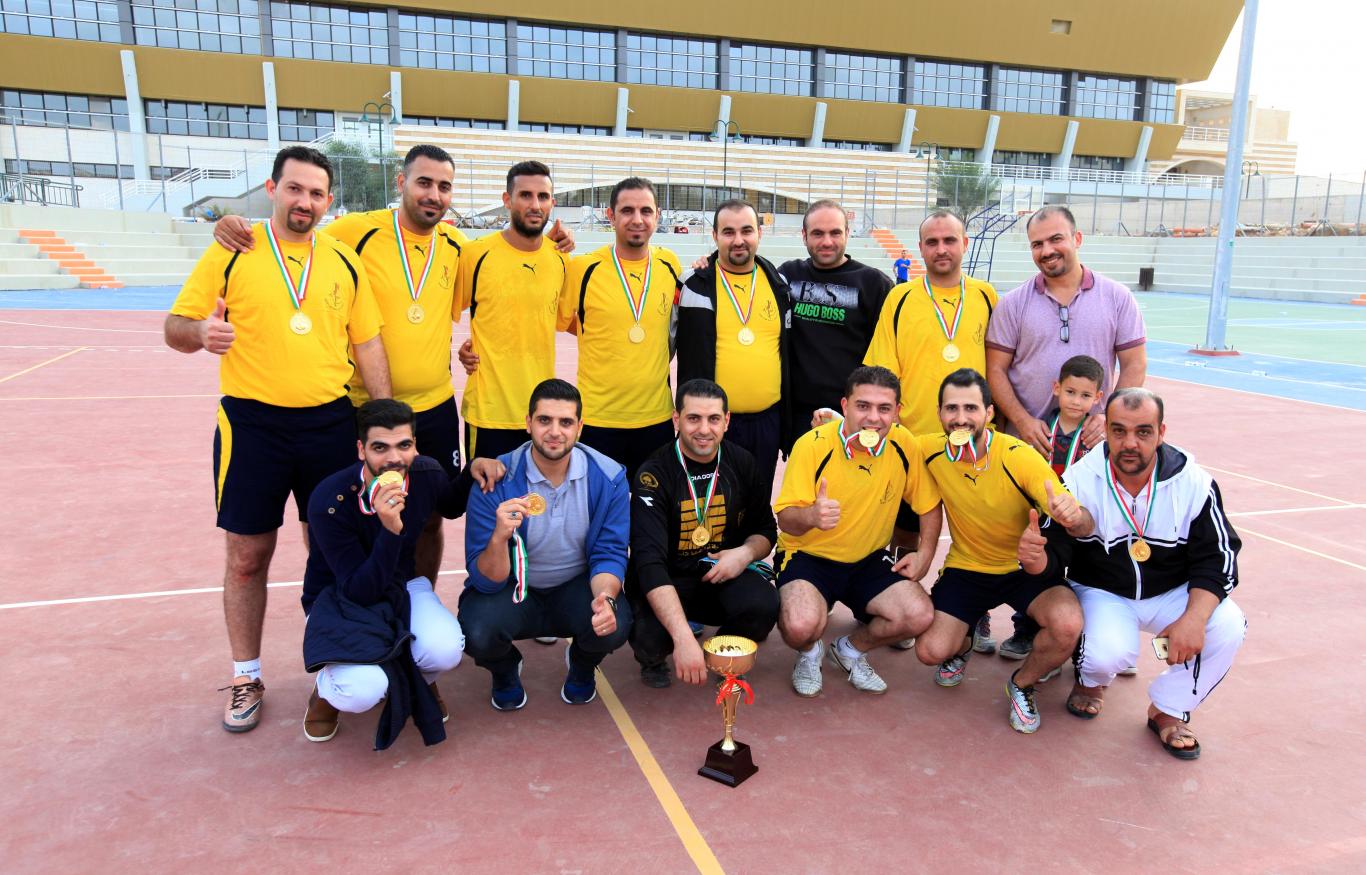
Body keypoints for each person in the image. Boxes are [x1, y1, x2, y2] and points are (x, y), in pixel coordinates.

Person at [209, 145, 572, 584]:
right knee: (350, 512)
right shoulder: (355, 230)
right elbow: (298, 232)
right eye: (423, 182)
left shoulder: (459, 247)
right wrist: (236, 224)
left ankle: (418, 601)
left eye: (443, 186)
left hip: (434, 406)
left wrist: (551, 243)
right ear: (401, 183)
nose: (433, 194)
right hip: (366, 407)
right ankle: (350, 606)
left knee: (432, 515)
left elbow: (506, 280)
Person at [164, 146, 389, 733]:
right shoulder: (233, 250)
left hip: (329, 424)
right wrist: (199, 332)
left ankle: (335, 664)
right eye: (294, 190)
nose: (304, 202)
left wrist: (384, 426)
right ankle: (246, 675)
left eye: (316, 194)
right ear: (272, 189)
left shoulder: (343, 261)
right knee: (247, 557)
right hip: (252, 426)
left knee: (332, 551)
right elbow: (175, 327)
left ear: (329, 201)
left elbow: (366, 345)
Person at [1020, 388, 1245, 759]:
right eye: (1119, 431)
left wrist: (1194, 617)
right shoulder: (1080, 478)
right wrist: (1034, 557)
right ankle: (1091, 682)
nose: (1130, 443)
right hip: (1104, 591)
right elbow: (1055, 554)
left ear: (1161, 432)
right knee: (1105, 655)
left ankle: (1168, 709)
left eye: (1143, 432)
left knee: (1228, 625)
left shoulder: (1194, 483)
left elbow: (1218, 558)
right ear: (1105, 430)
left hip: (1174, 591)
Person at [985, 205, 1147, 659]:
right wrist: (1020, 419)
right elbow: (995, 369)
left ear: (1076, 239)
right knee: (1029, 536)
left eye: (1055, 239)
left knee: (1091, 535)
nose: (1046, 250)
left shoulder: (1116, 298)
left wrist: (1110, 416)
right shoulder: (1015, 302)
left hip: (1091, 448)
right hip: (1029, 446)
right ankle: (1026, 623)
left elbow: (1133, 364)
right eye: (1037, 244)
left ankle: (1095, 637)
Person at [299, 400, 503, 747]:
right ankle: (325, 691)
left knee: (446, 649)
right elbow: (360, 590)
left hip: (401, 585)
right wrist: (390, 531)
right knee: (364, 691)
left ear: (414, 445)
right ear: (361, 448)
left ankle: (418, 677)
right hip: (340, 596)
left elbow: (450, 505)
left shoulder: (424, 473)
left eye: (404, 445)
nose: (394, 458)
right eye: (381, 447)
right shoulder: (329, 500)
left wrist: (472, 469)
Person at [912, 369, 1088, 734]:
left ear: (989, 413)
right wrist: (836, 421)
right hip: (968, 567)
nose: (961, 418)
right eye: (951, 408)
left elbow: (1075, 516)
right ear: (940, 413)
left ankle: (1022, 685)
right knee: (930, 652)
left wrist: (1073, 515)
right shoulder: (927, 450)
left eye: (971, 408)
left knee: (1068, 625)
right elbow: (887, 440)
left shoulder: (1018, 456)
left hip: (1024, 568)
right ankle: (964, 643)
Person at [864, 209, 998, 647]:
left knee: (975, 529)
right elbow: (883, 369)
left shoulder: (987, 296)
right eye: (932, 242)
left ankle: (973, 610)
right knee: (905, 528)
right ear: (920, 248)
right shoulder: (901, 298)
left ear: (965, 244)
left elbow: (999, 365)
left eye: (950, 240)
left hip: (973, 443)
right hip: (916, 442)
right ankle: (905, 594)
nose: (942, 249)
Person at [460, 379, 632, 710]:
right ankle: (505, 668)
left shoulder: (608, 477)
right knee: (476, 631)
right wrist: (499, 537)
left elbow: (608, 553)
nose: (555, 431)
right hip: (514, 587)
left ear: (580, 427)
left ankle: (582, 666)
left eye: (565, 422)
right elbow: (485, 580)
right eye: (544, 420)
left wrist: (605, 598)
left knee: (615, 622)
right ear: (528, 423)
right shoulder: (496, 479)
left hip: (575, 587)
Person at [773, 366, 942, 696]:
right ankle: (809, 652)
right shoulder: (812, 445)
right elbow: (785, 519)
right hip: (808, 557)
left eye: (884, 408)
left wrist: (926, 554)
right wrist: (811, 515)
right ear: (845, 406)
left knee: (919, 615)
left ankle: (848, 650)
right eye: (863, 406)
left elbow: (929, 506)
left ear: (897, 412)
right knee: (799, 626)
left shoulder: (903, 443)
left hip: (867, 560)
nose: (873, 418)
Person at [628, 379, 779, 687]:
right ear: (676, 420)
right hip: (668, 579)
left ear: (726, 422)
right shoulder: (652, 474)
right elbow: (648, 563)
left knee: (764, 605)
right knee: (649, 639)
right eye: (693, 418)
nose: (704, 429)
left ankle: (719, 649)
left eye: (713, 419)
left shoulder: (742, 462)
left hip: (720, 575)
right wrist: (684, 639)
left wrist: (744, 553)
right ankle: (653, 660)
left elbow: (766, 530)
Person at [557, 177, 684, 482]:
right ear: (610, 215)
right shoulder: (583, 268)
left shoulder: (670, 265)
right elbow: (560, 320)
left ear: (658, 215)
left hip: (656, 419)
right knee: (598, 520)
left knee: (653, 520)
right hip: (598, 422)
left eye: (646, 211)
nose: (637, 220)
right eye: (627, 211)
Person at [456, 161, 572, 462]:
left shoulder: (561, 261)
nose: (535, 205)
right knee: (485, 503)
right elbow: (442, 314)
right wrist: (461, 349)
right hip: (489, 412)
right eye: (525, 195)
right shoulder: (474, 255)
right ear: (507, 200)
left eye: (543, 197)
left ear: (552, 203)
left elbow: (564, 321)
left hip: (541, 415)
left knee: (537, 504)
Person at [678, 199, 791, 498]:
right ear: (714, 236)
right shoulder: (693, 284)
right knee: (709, 507)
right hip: (711, 423)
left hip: (767, 423)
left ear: (759, 234)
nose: (738, 240)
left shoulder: (779, 284)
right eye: (728, 232)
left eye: (746, 230)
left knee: (756, 505)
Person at [777, 199, 894, 454]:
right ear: (804, 236)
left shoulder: (874, 284)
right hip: (800, 416)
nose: (827, 241)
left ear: (848, 234)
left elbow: (891, 355)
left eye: (835, 233)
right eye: (818, 233)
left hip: (855, 416)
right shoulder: (788, 274)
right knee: (804, 491)